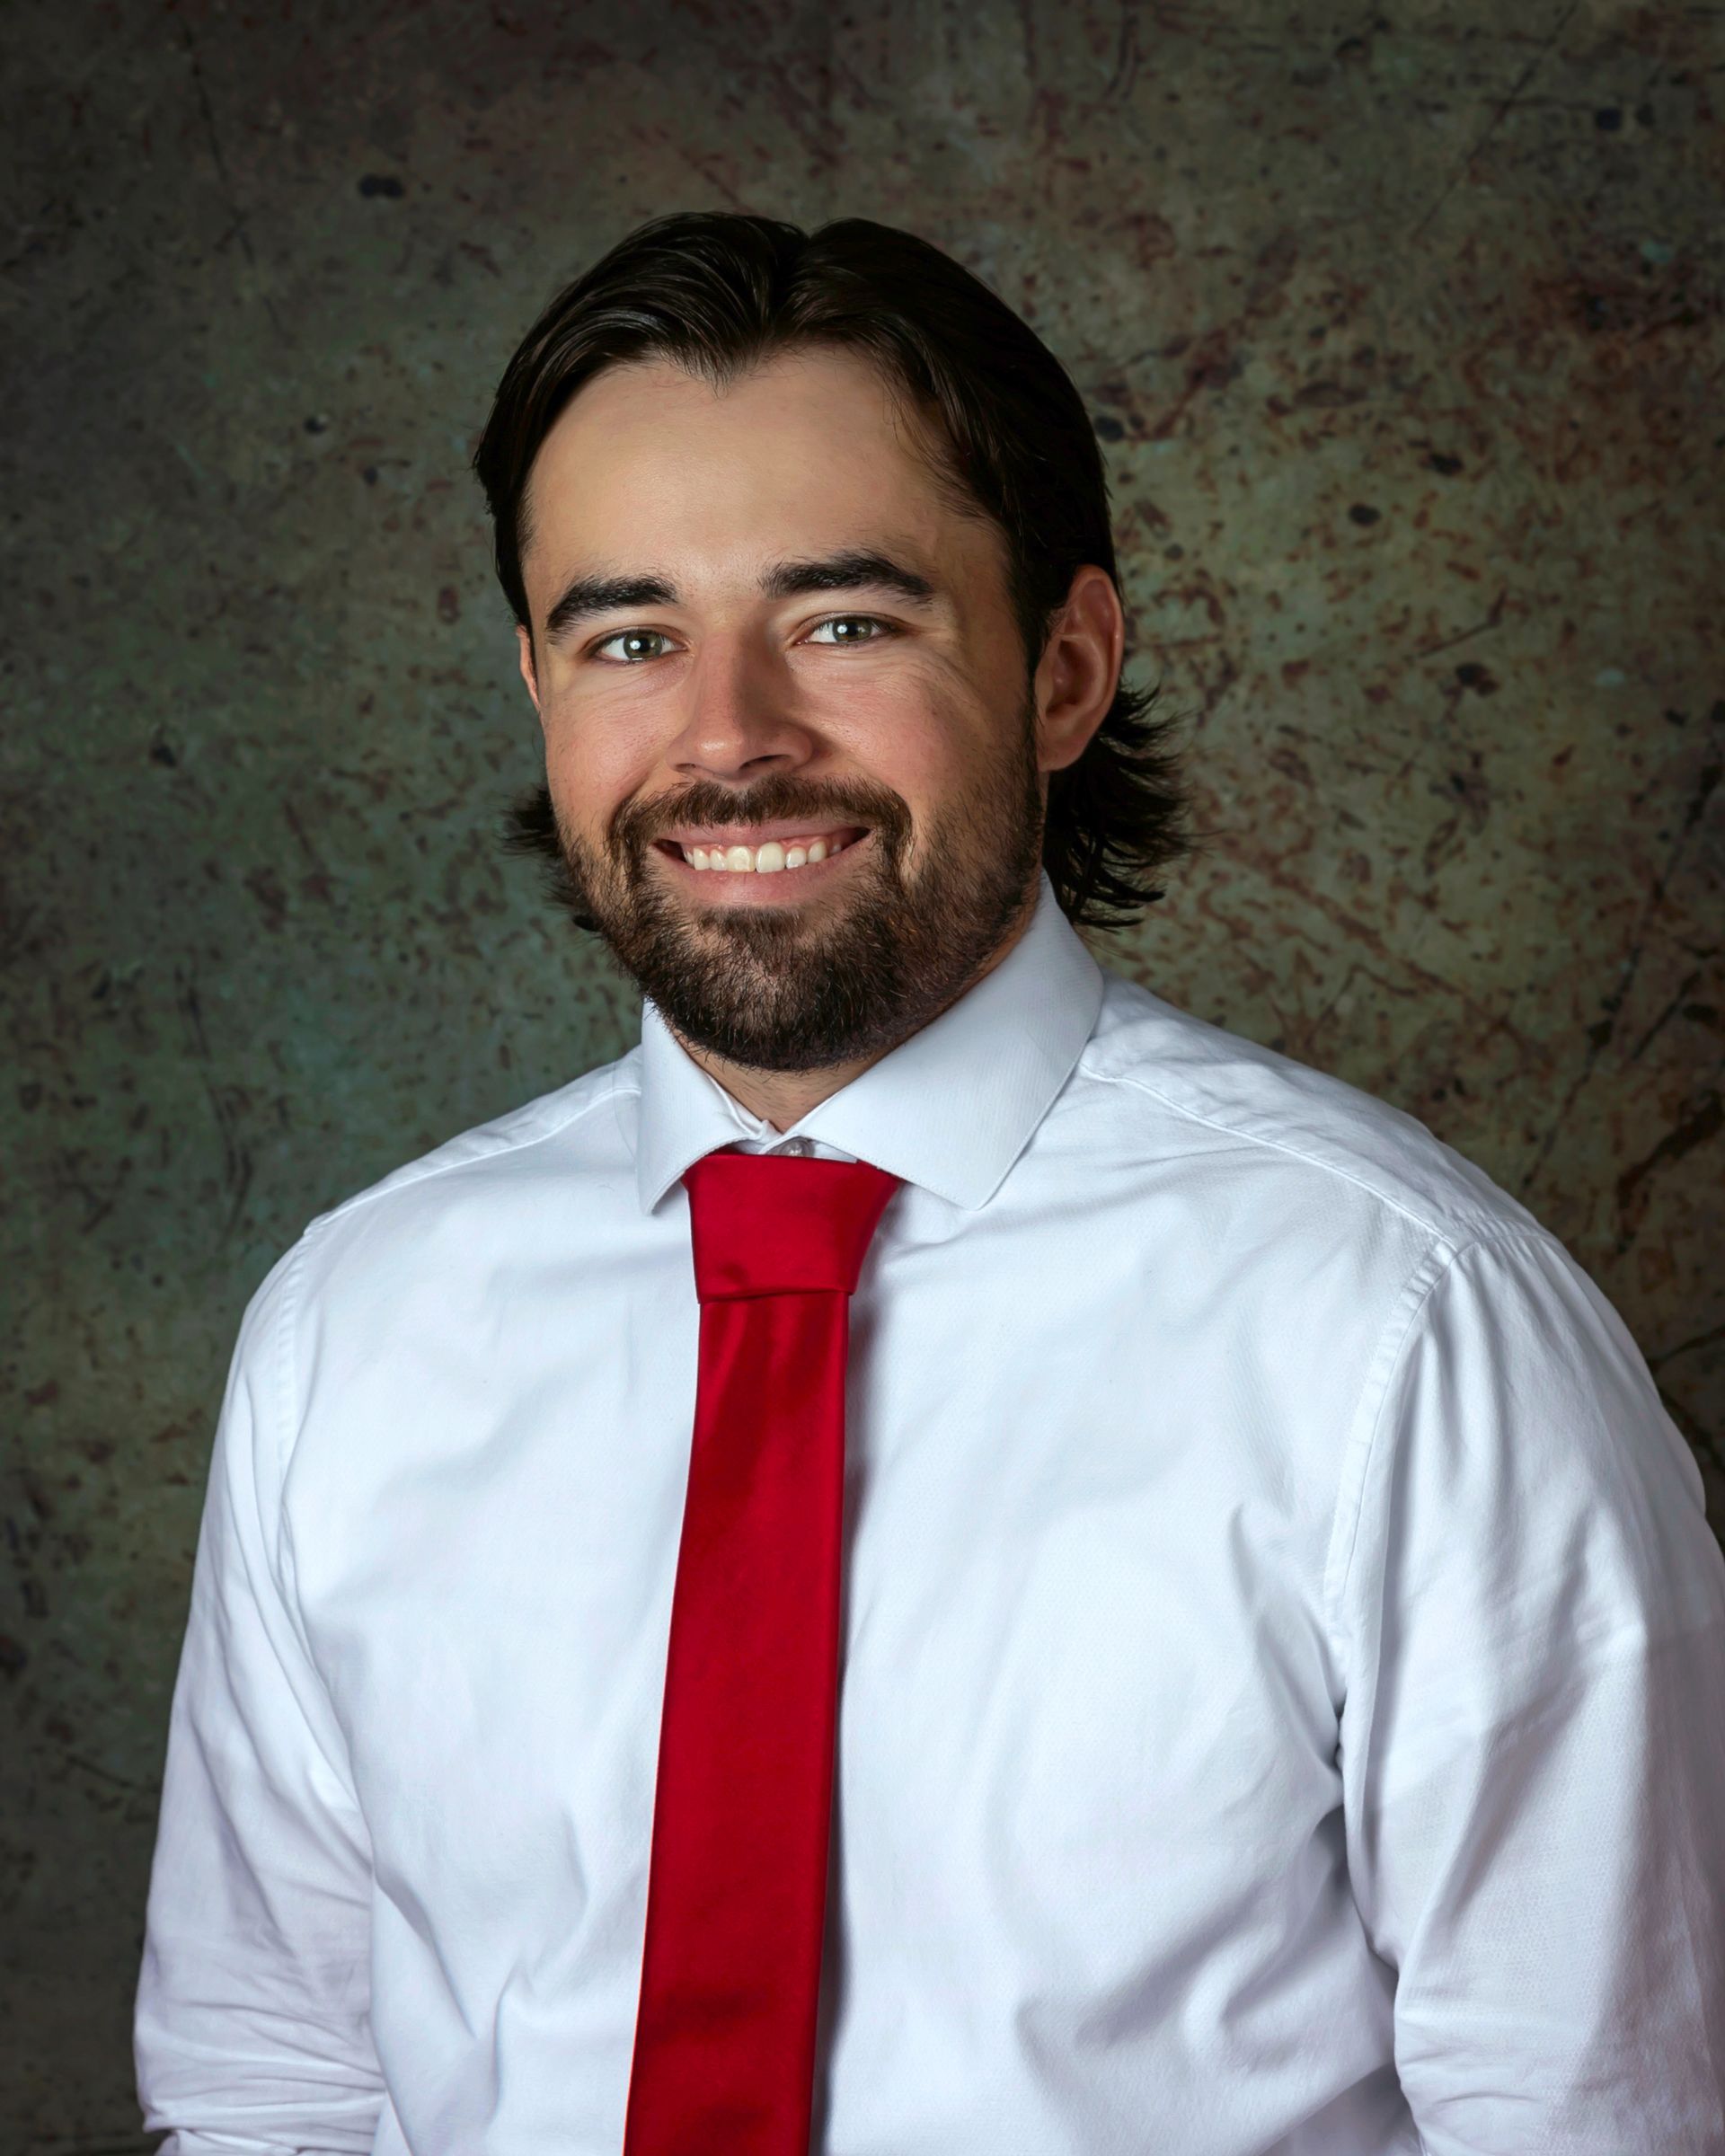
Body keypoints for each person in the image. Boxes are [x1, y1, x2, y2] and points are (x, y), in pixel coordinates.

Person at [135, 211, 1725, 2155]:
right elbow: (273, 2080)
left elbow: (1607, 2118)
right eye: (631, 637)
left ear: (1065, 671)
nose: (729, 738)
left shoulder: (1404, 1331)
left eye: (845, 623)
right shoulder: (353, 1331)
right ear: (540, 688)